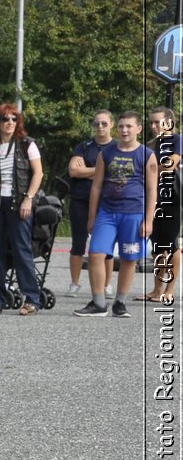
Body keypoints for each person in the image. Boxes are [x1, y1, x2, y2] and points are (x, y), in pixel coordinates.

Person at [76, 110, 156, 318]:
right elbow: (96, 186)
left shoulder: (147, 155)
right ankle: (98, 302)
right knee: (95, 254)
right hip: (107, 213)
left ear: (138, 128)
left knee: (129, 259)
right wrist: (92, 216)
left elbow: (151, 190)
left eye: (129, 126)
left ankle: (120, 303)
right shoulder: (107, 153)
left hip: (133, 214)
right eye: (121, 126)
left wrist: (149, 219)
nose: (124, 130)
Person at [0, 104, 45, 316]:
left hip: (19, 203)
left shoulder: (26, 144)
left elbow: (38, 174)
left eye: (14, 119)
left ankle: (32, 298)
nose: (10, 123)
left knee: (22, 250)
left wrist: (28, 199)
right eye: (5, 119)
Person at [65, 111, 112, 297]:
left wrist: (88, 170)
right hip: (80, 199)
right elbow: (73, 171)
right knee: (78, 242)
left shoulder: (117, 147)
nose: (100, 127)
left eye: (104, 123)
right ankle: (74, 284)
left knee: (105, 245)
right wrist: (100, 170)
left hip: (107, 201)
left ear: (111, 125)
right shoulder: (84, 146)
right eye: (97, 123)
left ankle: (107, 284)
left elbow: (116, 173)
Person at [141, 107, 178, 304]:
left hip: (172, 197)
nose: (154, 126)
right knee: (157, 246)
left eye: (158, 122)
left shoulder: (177, 141)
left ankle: (169, 290)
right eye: (152, 123)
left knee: (171, 245)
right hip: (153, 197)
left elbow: (171, 164)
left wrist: (152, 167)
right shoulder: (150, 145)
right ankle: (157, 289)